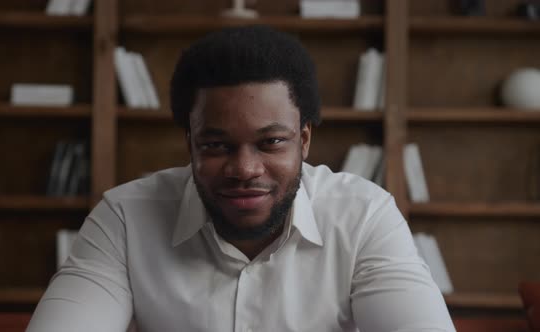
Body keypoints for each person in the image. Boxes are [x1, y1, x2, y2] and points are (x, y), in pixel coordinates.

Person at [27, 25, 455, 332]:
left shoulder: (363, 216)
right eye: (216, 146)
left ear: (304, 140)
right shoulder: (124, 218)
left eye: (271, 143)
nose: (245, 170)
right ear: (190, 143)